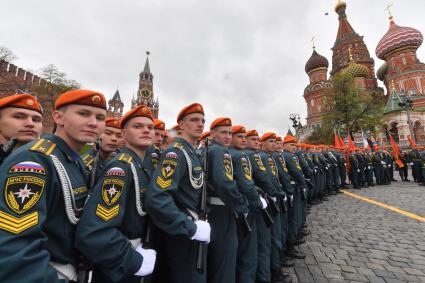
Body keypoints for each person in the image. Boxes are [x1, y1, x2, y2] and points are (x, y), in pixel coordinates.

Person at [0, 89, 107, 282]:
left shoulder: (71, 159)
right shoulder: (34, 160)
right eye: (83, 114)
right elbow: (15, 247)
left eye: (100, 117)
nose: (93, 122)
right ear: (58, 117)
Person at [76, 105, 157, 282]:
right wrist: (133, 261)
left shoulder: (140, 166)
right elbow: (95, 231)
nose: (146, 130)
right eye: (138, 126)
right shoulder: (120, 168)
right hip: (120, 262)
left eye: (150, 127)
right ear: (124, 134)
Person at [145, 103, 210, 283]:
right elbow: (158, 197)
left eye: (203, 121)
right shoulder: (175, 154)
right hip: (183, 233)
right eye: (194, 120)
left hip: (193, 228)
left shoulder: (192, 153)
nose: (200, 124)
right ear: (181, 125)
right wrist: (189, 227)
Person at [229, 125, 267, 283]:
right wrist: (257, 201)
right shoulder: (240, 156)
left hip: (233, 207)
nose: (243, 139)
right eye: (240, 136)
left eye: (245, 137)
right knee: (248, 253)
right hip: (245, 206)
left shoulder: (229, 154)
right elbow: (246, 184)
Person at [81, 117, 122, 183]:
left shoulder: (121, 163)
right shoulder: (84, 164)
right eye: (108, 133)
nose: (114, 139)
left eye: (119, 136)